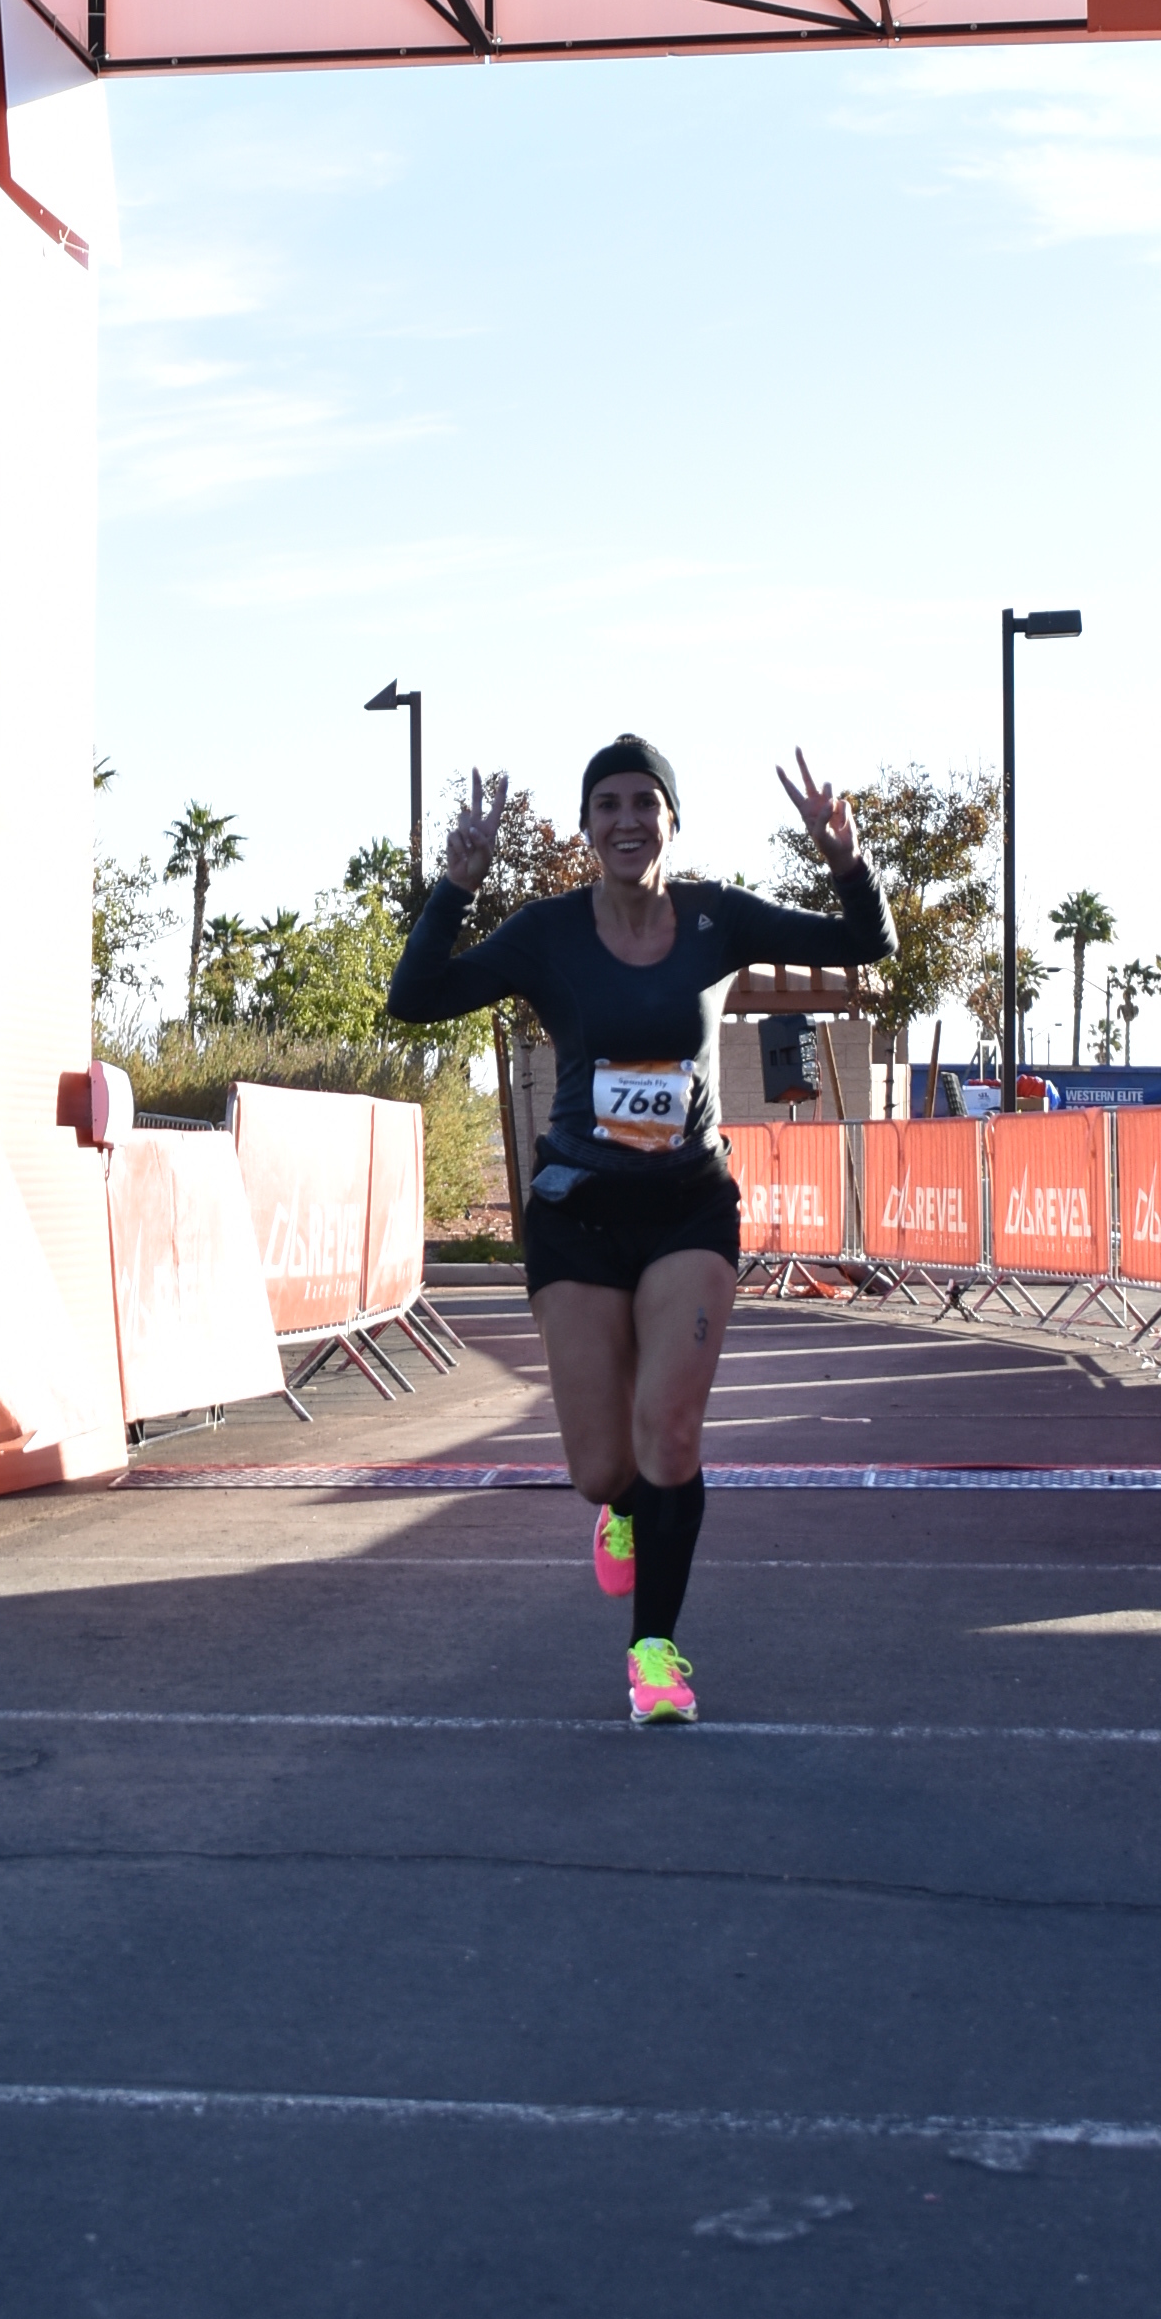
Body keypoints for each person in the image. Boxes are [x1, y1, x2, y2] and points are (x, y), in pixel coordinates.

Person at [387, 735, 891, 1725]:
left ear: (672, 819)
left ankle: (654, 1654)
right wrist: (456, 888)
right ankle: (621, 1512)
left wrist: (847, 860)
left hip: (687, 1207)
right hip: (579, 1213)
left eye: (644, 803)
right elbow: (416, 999)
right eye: (608, 804)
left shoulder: (715, 917)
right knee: (602, 1469)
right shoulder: (546, 932)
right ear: (588, 827)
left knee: (672, 1431)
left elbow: (865, 944)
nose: (626, 820)